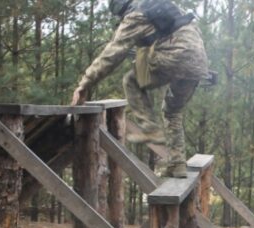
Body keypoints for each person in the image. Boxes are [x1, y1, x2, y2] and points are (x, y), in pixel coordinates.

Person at [71, 0, 209, 178]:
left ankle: (150, 129)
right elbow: (184, 30)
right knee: (172, 111)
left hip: (175, 56)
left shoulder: (135, 14)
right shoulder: (164, 6)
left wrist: (84, 85)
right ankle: (177, 164)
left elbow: (112, 54)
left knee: (131, 81)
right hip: (198, 62)